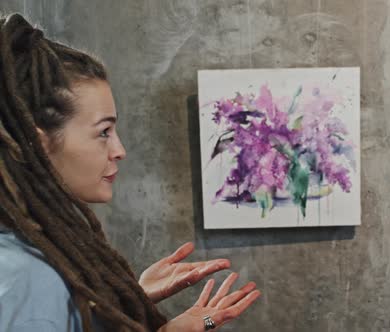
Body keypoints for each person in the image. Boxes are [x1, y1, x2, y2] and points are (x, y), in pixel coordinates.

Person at [0, 13, 260, 332]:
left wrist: (127, 300)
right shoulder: (30, 281)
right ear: (38, 146)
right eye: (104, 132)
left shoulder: (25, 259)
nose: (120, 150)